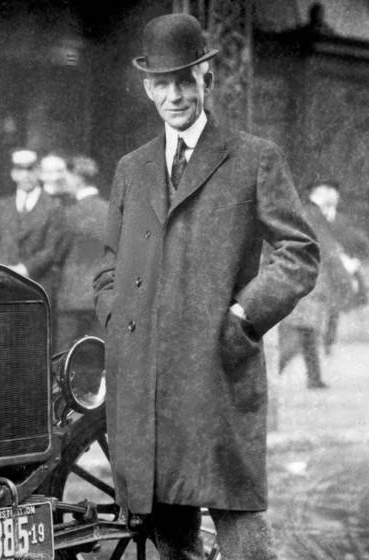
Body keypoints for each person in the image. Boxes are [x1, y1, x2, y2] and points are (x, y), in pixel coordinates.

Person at [91, 13, 319, 559]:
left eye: (184, 82)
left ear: (205, 80)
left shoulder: (253, 158)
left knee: (240, 527)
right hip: (144, 377)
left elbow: (300, 253)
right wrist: (117, 318)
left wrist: (244, 316)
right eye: (162, 85)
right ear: (148, 90)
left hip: (214, 371)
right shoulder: (132, 169)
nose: (174, 96)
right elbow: (107, 267)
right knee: (170, 531)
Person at [279, 181, 353, 388]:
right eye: (334, 192)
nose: (336, 197)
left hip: (301, 276)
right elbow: (327, 250)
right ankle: (267, 377)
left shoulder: (308, 211)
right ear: (323, 191)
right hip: (310, 279)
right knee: (300, 329)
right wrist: (344, 277)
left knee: (307, 330)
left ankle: (314, 377)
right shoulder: (313, 214)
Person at [0, 148, 65, 299]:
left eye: (31, 170)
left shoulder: (53, 206)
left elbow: (52, 249)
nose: (26, 176)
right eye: (20, 170)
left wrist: (24, 269)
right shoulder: (1, 206)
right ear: (13, 174)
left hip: (38, 286)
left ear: (39, 173)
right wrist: (5, 269)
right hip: (3, 285)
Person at [310, 180, 369, 354]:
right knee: (319, 304)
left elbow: (359, 242)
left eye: (335, 195)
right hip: (321, 265)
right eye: (329, 193)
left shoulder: (342, 219)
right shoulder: (315, 216)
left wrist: (355, 260)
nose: (333, 198)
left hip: (339, 267)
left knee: (333, 307)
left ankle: (328, 342)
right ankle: (314, 340)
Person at [54, 155, 108, 350]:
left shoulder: (69, 214)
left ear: (77, 178)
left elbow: (56, 254)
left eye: (66, 175)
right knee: (95, 355)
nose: (63, 180)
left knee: (64, 356)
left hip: (71, 298)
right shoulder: (109, 210)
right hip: (101, 296)